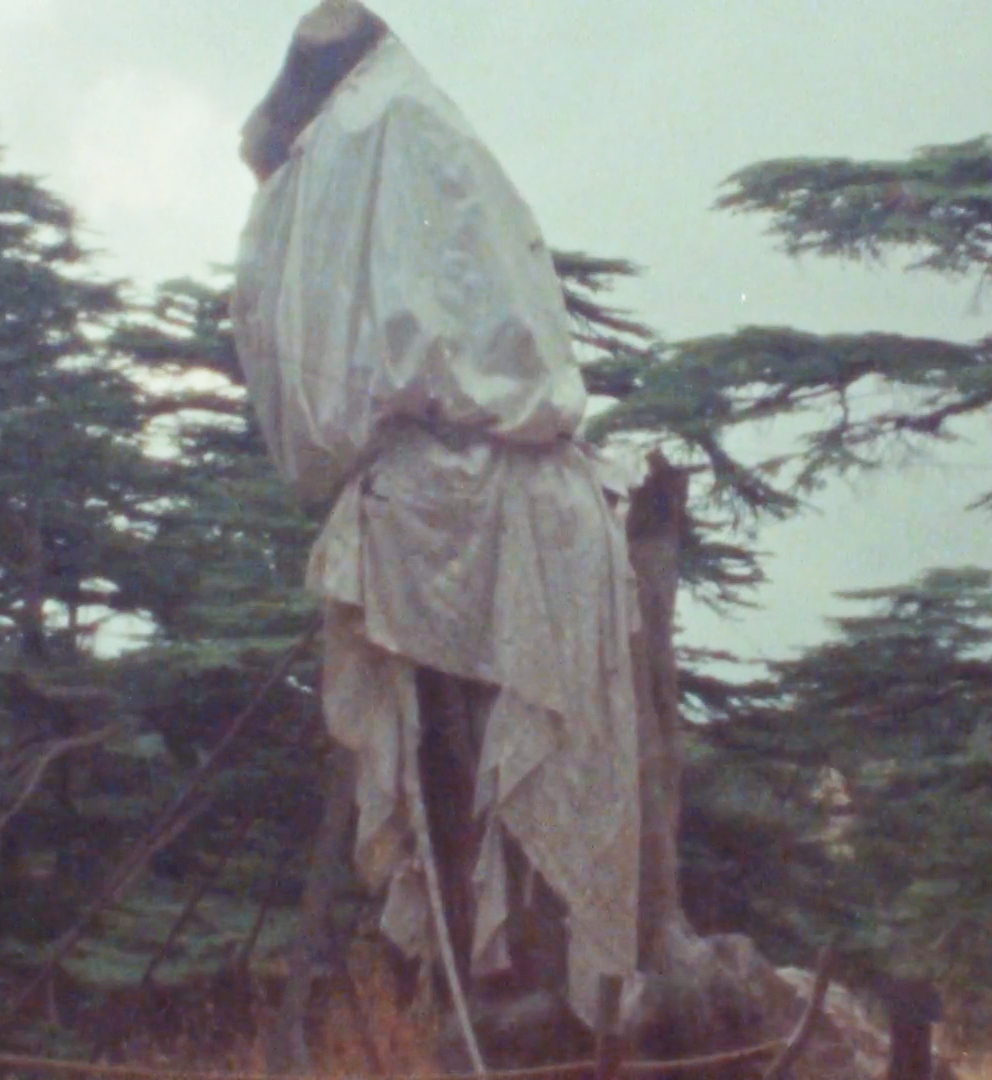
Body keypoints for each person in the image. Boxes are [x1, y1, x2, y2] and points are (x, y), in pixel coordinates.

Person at [231, 0, 644, 1032]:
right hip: (422, 487)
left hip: (438, 484)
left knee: (461, 766)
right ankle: (483, 979)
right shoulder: (389, 131)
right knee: (446, 769)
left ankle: (515, 981)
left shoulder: (385, 131)